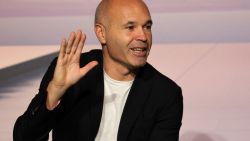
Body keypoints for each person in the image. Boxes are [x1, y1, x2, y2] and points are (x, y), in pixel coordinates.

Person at [13, 0, 183, 140]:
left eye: (147, 27)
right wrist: (53, 94)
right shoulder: (71, 72)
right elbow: (24, 138)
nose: (143, 37)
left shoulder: (165, 94)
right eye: (130, 27)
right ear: (101, 33)